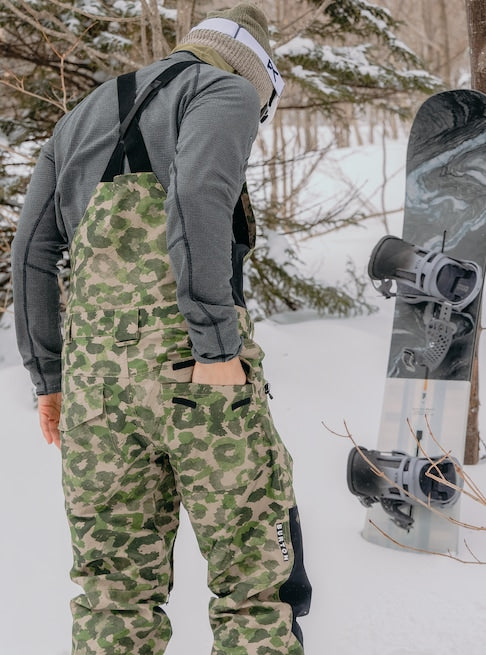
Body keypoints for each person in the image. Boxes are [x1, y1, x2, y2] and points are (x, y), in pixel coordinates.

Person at [11, 4, 311, 654]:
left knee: (113, 595)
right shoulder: (226, 89)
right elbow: (197, 193)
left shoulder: (79, 116)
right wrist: (215, 345)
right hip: (199, 377)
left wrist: (50, 379)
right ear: (253, 72)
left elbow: (31, 251)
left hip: (98, 393)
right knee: (255, 587)